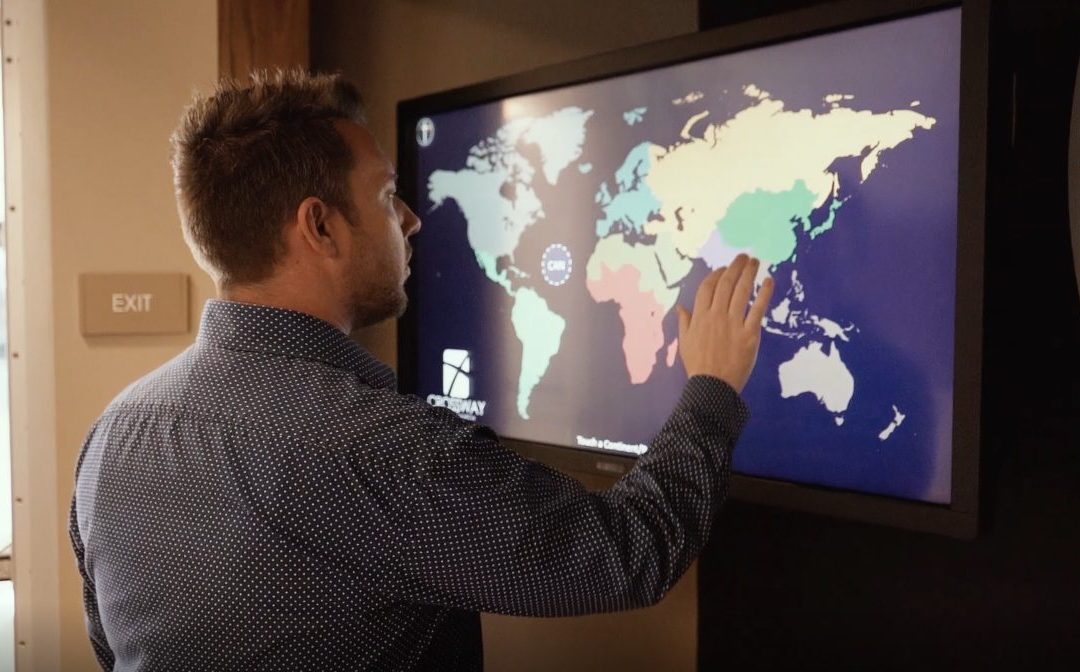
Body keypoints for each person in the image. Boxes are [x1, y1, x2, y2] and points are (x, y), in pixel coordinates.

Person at [69, 69, 774, 671]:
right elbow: (629, 554)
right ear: (319, 227)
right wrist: (711, 385)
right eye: (385, 196)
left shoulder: (115, 433)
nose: (410, 220)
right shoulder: (381, 449)